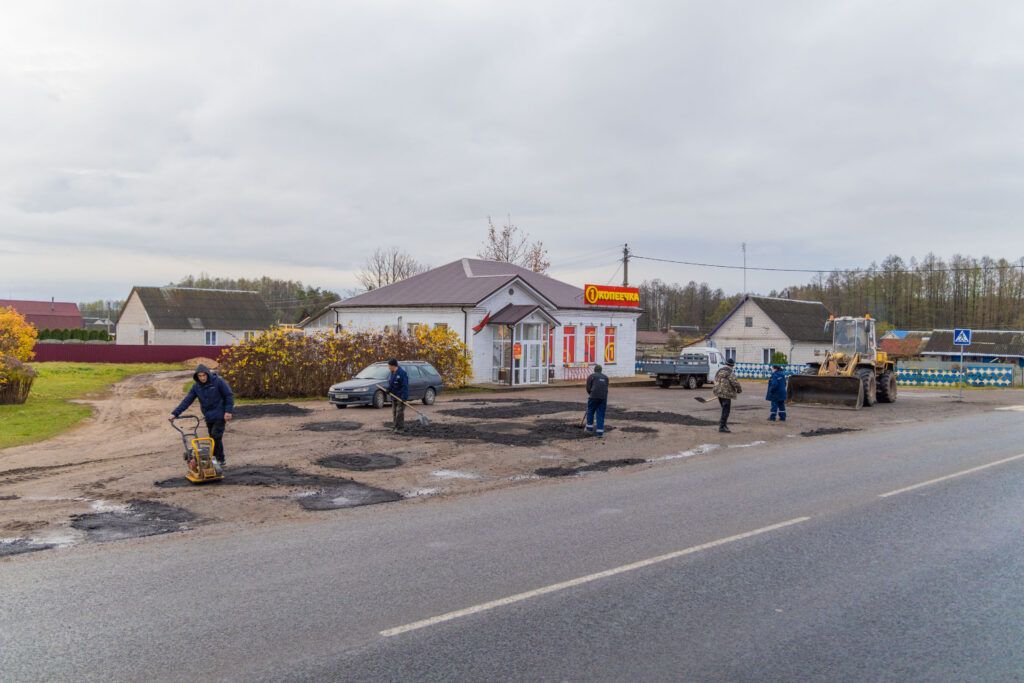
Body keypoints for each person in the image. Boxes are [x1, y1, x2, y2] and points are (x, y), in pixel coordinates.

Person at [169, 363, 234, 467]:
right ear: (197, 376)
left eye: (204, 375)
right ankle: (213, 459)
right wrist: (175, 413)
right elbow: (187, 400)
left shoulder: (218, 382)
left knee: (215, 436)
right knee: (212, 438)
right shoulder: (196, 387)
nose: (202, 378)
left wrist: (228, 411)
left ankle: (220, 460)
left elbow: (228, 395)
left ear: (207, 374)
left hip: (220, 414)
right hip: (208, 416)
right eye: (200, 376)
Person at [712, 358, 742, 433]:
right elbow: (735, 382)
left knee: (724, 409)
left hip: (718, 392)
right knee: (726, 410)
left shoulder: (719, 371)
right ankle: (722, 426)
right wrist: (739, 390)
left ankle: (723, 424)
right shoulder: (730, 372)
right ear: (732, 365)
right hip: (726, 394)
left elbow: (715, 380)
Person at [585, 363, 610, 437]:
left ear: (594, 370)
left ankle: (589, 429)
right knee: (600, 413)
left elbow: (588, 388)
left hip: (593, 396)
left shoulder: (591, 376)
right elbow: (606, 387)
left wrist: (591, 394)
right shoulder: (606, 377)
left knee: (590, 411)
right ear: (601, 370)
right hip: (603, 397)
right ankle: (600, 432)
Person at [386, 358, 409, 431]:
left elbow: (405, 386)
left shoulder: (402, 373)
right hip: (394, 396)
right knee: (394, 412)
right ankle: (395, 426)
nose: (388, 367)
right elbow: (392, 383)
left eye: (389, 366)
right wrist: (389, 389)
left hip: (401, 397)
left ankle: (400, 428)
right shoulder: (392, 373)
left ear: (393, 366)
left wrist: (404, 397)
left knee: (399, 412)